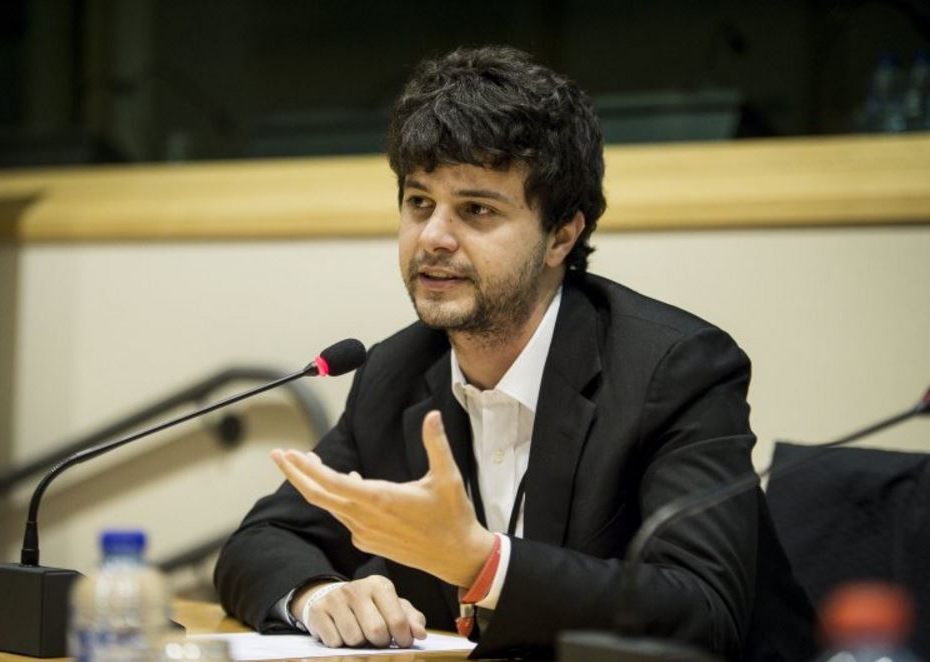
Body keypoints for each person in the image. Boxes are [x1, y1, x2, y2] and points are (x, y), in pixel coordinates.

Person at [214, 45, 815, 660]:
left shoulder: (673, 369)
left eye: (476, 209)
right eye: (419, 203)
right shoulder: (396, 372)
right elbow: (261, 541)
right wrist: (319, 595)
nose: (434, 237)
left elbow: (705, 611)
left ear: (561, 235)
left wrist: (484, 564)